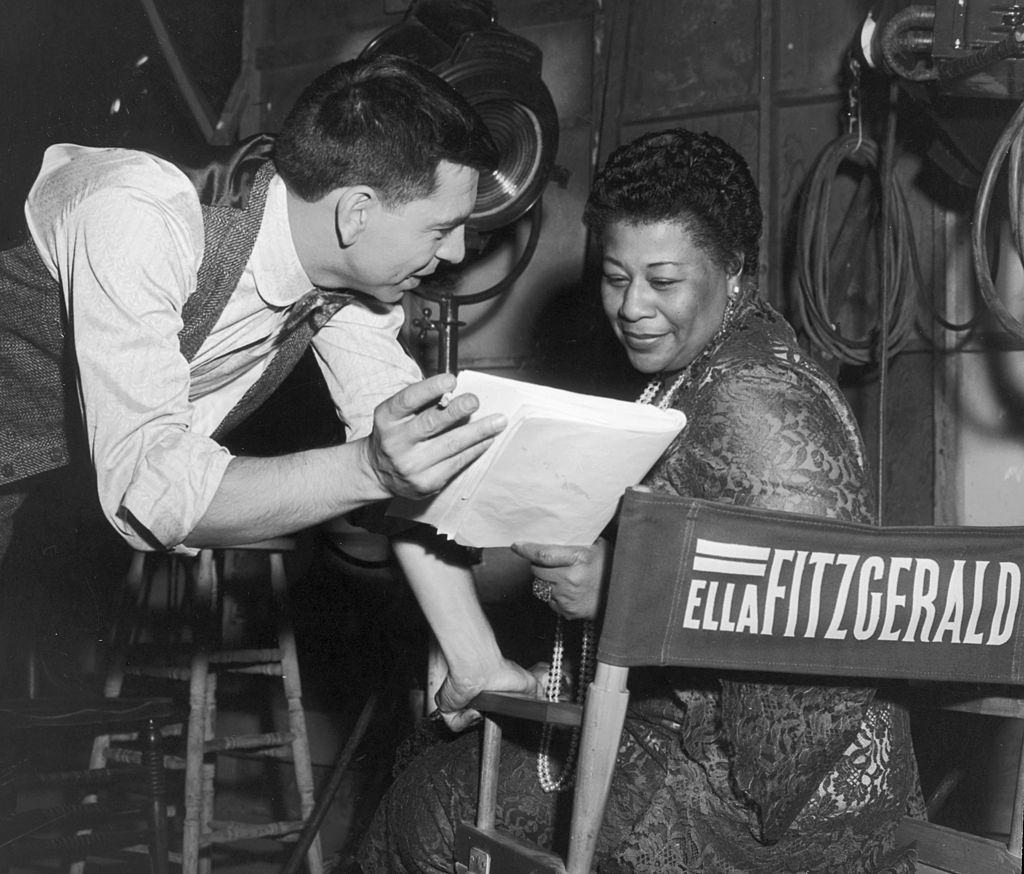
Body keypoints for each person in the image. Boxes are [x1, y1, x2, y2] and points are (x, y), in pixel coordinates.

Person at [356, 128, 922, 873]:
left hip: (779, 804)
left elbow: (821, 614)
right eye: (616, 277)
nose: (632, 306)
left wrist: (621, 587)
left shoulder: (756, 400)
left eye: (663, 280)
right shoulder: (714, 366)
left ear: (734, 269)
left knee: (432, 807)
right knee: (442, 778)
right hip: (717, 747)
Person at [0, 54, 539, 705]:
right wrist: (367, 470)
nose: (455, 253)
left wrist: (475, 661)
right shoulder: (141, 214)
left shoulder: (345, 275)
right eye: (441, 227)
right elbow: (147, 487)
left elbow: (411, 451)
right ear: (356, 214)